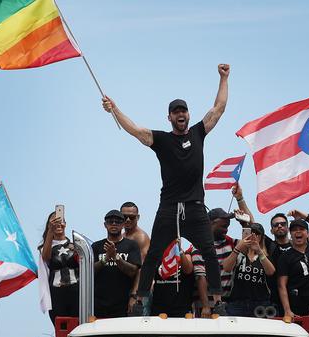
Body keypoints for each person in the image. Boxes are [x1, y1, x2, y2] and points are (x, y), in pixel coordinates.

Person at [101, 64, 230, 312]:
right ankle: (140, 301)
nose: (180, 115)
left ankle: (217, 301)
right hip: (170, 207)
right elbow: (135, 130)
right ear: (169, 117)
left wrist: (224, 78)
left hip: (194, 207)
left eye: (184, 111)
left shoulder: (198, 133)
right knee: (154, 254)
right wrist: (114, 109)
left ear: (188, 116)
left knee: (209, 252)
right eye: (175, 112)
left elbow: (219, 108)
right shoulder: (161, 139)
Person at [92, 210, 141, 318]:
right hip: (99, 304)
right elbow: (90, 272)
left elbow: (134, 272)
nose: (114, 224)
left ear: (123, 225)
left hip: (123, 304)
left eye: (118, 222)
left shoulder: (131, 245)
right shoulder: (96, 246)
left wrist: (116, 257)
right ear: (105, 225)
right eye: (110, 221)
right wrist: (105, 259)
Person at [222, 223, 275, 317]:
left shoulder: (264, 257)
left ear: (261, 238)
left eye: (257, 234)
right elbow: (226, 268)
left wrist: (259, 251)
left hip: (260, 304)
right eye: (250, 233)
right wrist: (238, 248)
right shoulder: (238, 254)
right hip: (237, 303)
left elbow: (271, 272)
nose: (253, 236)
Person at [38, 212, 79, 325]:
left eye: (60, 221)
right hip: (57, 293)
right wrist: (50, 232)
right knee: (61, 328)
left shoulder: (75, 245)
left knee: (78, 326)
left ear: (65, 223)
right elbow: (45, 258)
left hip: (76, 291)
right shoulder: (45, 248)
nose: (58, 224)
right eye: (54, 222)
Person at [150, 242, 196, 317]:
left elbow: (188, 270)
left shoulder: (186, 256)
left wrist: (179, 250)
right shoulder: (157, 257)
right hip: (159, 311)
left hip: (181, 311)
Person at [120, 202, 151, 313]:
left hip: (139, 292)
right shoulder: (122, 236)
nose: (128, 219)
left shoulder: (141, 237)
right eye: (124, 217)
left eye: (132, 217)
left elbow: (142, 268)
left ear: (137, 217)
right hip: (125, 287)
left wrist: (134, 294)